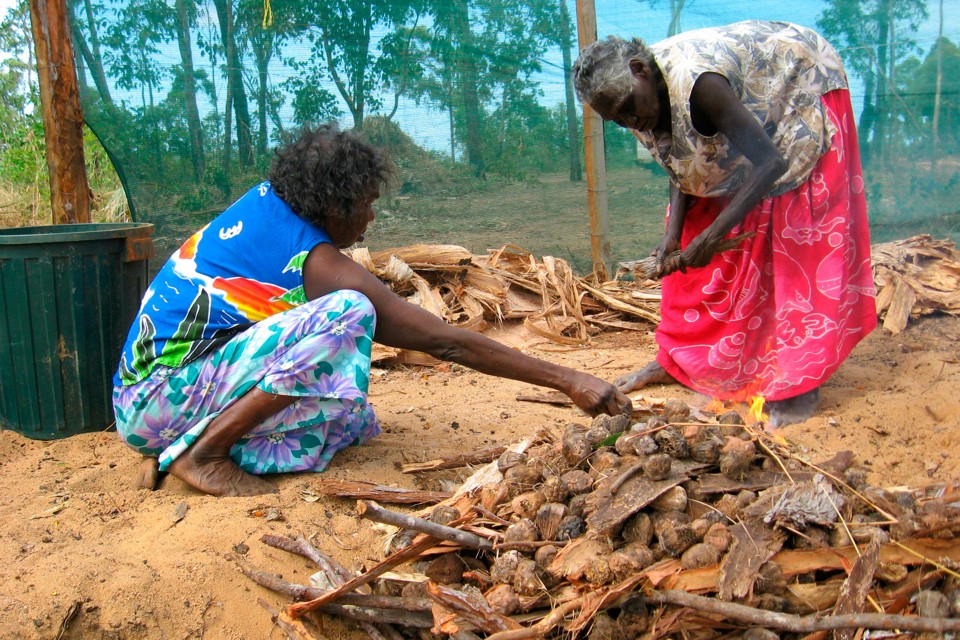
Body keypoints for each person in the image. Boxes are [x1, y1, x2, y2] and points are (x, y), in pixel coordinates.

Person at [112, 125, 632, 497]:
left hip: (155, 396)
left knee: (350, 417)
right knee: (349, 314)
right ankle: (204, 454)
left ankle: (177, 449)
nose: (370, 218)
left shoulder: (268, 204)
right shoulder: (315, 262)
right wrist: (568, 379)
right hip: (157, 398)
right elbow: (444, 340)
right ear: (333, 206)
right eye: (365, 205)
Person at [572, 21, 877, 426]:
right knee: (688, 249)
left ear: (639, 70)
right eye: (617, 120)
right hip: (747, 121)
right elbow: (680, 161)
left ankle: (799, 384)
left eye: (629, 108)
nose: (629, 121)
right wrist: (673, 237)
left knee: (789, 238)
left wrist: (712, 238)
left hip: (795, 89)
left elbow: (770, 162)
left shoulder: (701, 85)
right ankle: (679, 360)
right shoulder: (635, 100)